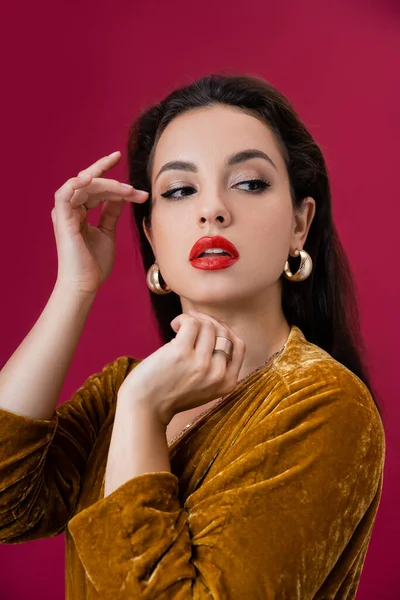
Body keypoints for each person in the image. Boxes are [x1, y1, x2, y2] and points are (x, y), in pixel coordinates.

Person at [0, 72, 385, 599]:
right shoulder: (127, 387)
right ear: (151, 237)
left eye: (249, 183)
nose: (213, 210)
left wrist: (142, 414)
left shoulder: (327, 404)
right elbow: (6, 502)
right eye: (180, 190)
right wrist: (76, 286)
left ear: (301, 223)